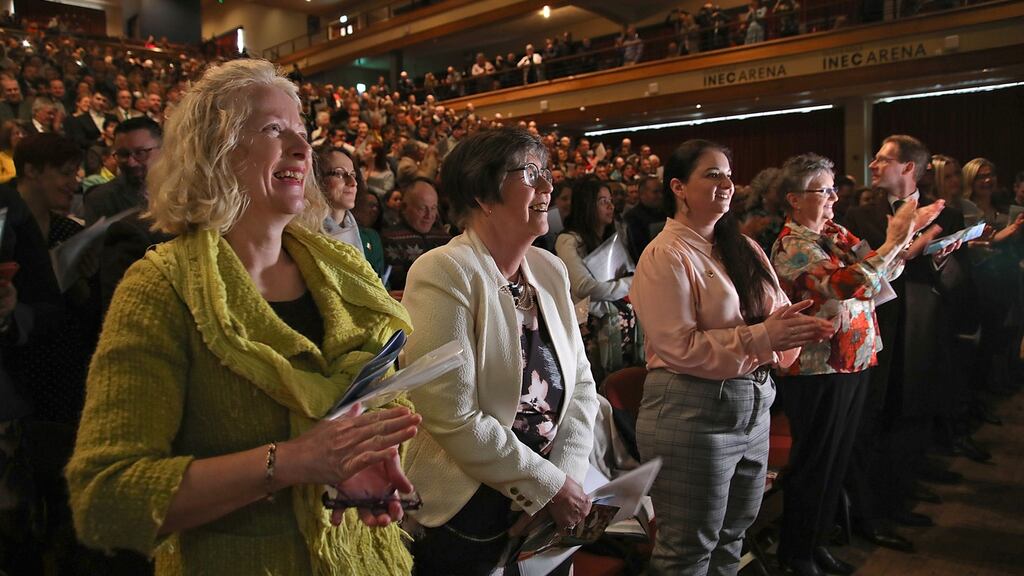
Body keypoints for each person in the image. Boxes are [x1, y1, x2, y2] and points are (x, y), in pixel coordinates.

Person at [66, 59, 422, 576]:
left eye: (301, 132)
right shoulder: (162, 287)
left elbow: (385, 401)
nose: (302, 148)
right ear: (216, 151)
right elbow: (106, 498)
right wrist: (292, 461)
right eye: (274, 130)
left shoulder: (346, 273)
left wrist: (362, 455)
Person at [630, 139, 833, 575]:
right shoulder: (665, 254)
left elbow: (778, 312)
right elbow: (679, 347)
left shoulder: (744, 248)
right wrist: (764, 336)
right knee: (686, 550)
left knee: (732, 540)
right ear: (678, 187)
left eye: (728, 174)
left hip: (753, 405)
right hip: (692, 410)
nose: (726, 183)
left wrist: (792, 330)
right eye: (712, 175)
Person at [402, 127, 598, 575]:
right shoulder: (444, 271)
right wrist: (546, 486)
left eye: (546, 172)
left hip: (546, 498)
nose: (547, 186)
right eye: (529, 173)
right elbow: (453, 415)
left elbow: (583, 385)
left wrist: (564, 478)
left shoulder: (549, 269)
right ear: (483, 194)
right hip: (468, 507)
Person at [770, 153, 930, 576]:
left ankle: (817, 543)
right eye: (822, 190)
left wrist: (902, 245)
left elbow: (879, 272)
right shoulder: (792, 244)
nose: (833, 197)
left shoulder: (835, 232)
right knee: (815, 462)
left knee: (837, 459)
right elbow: (845, 284)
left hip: (854, 357)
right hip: (816, 367)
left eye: (831, 188)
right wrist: (892, 246)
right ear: (794, 199)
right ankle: (796, 553)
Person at [842, 134, 965, 549]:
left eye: (882, 159)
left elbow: (951, 279)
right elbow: (858, 270)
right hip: (877, 329)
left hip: (922, 327)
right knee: (871, 420)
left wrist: (941, 258)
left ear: (909, 167)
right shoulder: (858, 214)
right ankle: (869, 513)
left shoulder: (943, 212)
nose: (873, 165)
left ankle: (898, 498)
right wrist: (898, 247)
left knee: (911, 416)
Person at [556, 176, 640, 384]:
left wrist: (626, 281)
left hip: (622, 321)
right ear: (587, 205)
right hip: (594, 325)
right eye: (603, 201)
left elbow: (628, 270)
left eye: (610, 200)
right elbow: (584, 287)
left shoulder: (614, 235)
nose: (611, 206)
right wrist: (631, 283)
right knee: (602, 384)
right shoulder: (569, 240)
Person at [83, 117, 162, 225]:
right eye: (123, 154)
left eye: (140, 153)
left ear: (163, 149)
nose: (131, 162)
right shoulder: (101, 200)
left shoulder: (182, 189)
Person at [381, 177, 451, 290]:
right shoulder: (390, 238)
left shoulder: (445, 239)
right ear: (404, 207)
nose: (429, 215)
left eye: (433, 208)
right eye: (422, 208)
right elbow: (397, 280)